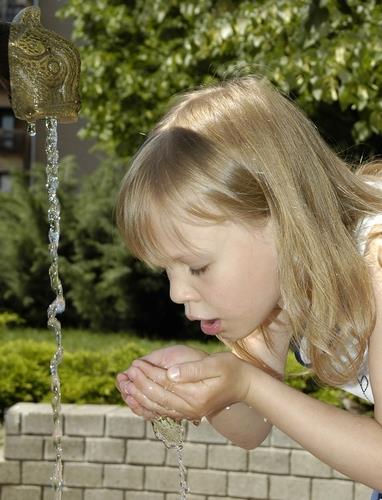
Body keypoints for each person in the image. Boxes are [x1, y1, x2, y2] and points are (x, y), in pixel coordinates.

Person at [115, 76, 382, 496]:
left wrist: (248, 383)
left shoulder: (376, 264)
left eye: (198, 267)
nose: (177, 294)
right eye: (167, 270)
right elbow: (252, 428)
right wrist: (209, 381)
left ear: (282, 215)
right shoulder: (278, 289)